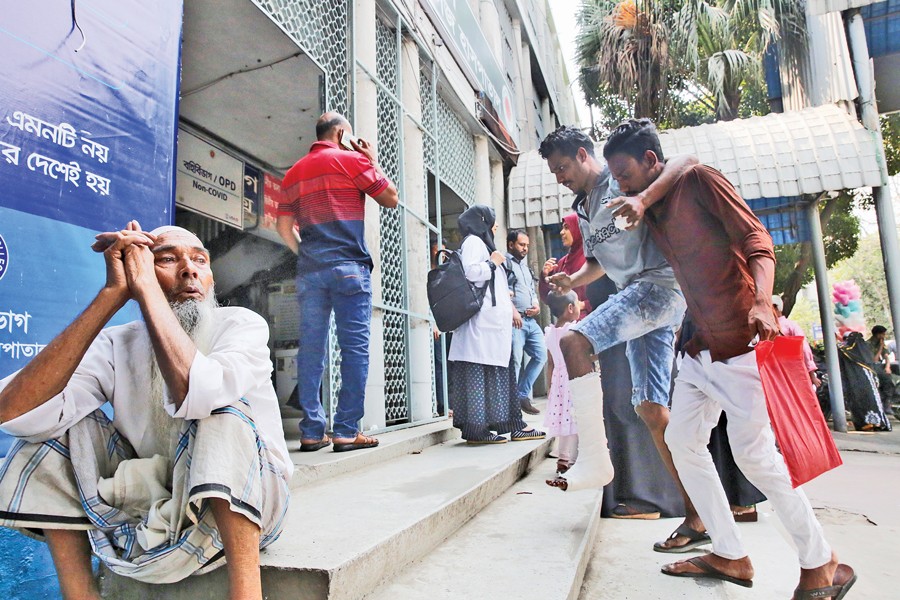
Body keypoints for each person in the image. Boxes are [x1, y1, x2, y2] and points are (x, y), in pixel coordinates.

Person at [604, 118, 856, 598]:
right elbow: (670, 173)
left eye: (623, 173)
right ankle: (730, 553)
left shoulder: (700, 180)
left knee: (755, 457)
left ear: (650, 162)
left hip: (742, 342)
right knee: (682, 440)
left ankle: (820, 562)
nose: (619, 184)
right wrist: (638, 199)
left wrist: (763, 299)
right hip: (697, 346)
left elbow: (758, 240)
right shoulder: (648, 206)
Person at [0, 222, 291, 599]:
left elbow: (199, 392)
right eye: (167, 259)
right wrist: (113, 294)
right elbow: (15, 413)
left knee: (222, 409)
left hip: (253, 505)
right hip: (154, 502)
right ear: (139, 275)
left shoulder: (241, 325)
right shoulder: (118, 343)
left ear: (211, 280)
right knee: (51, 431)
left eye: (199, 261)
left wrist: (149, 289)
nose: (189, 269)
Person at [539, 126, 708, 552]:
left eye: (562, 167)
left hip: (657, 288)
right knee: (651, 409)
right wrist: (573, 279)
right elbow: (598, 261)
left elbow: (686, 161)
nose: (560, 177)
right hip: (641, 296)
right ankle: (697, 515)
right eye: (554, 172)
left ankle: (595, 460)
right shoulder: (583, 206)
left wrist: (642, 198)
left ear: (582, 155)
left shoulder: (619, 178)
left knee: (573, 342)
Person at [276, 112, 399, 453]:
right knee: (354, 350)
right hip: (349, 269)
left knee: (312, 350)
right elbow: (390, 197)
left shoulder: (293, 174)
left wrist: (306, 254)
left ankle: (312, 432)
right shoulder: (351, 160)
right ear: (342, 133)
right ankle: (345, 430)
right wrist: (370, 160)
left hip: (311, 272)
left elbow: (284, 228)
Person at [447, 205, 545, 444]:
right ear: (482, 221)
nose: (496, 225)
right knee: (481, 377)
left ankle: (511, 425)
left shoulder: (483, 244)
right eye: (492, 220)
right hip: (481, 328)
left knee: (499, 377)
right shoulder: (474, 242)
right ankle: (478, 430)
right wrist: (492, 263)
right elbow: (471, 272)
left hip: (491, 328)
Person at [506, 229, 546, 415]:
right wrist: (513, 312)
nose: (525, 248)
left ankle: (522, 395)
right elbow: (502, 290)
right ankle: (511, 404)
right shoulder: (504, 264)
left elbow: (531, 289)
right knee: (515, 360)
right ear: (511, 244)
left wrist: (536, 305)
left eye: (527, 246)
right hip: (515, 320)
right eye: (522, 245)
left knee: (541, 355)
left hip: (531, 320)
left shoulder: (525, 266)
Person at [543, 291, 583, 474]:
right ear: (570, 308)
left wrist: (550, 387)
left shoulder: (550, 333)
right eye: (577, 302)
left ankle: (563, 458)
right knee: (574, 420)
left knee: (565, 419)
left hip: (558, 380)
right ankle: (570, 458)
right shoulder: (574, 331)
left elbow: (550, 363)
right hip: (573, 378)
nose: (580, 305)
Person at [539, 213, 592, 318]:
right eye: (562, 228)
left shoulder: (592, 261)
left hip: (590, 322)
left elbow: (607, 294)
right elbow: (548, 298)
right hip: (568, 323)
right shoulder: (562, 263)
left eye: (567, 228)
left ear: (579, 229)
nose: (561, 232)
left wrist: (584, 305)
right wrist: (545, 276)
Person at [839, 332, 892, 431]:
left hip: (855, 386)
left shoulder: (845, 351)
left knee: (859, 404)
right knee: (872, 403)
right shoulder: (865, 352)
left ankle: (864, 423)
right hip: (869, 386)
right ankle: (877, 422)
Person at [773, 295, 821, 389]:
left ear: (776, 307)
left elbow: (804, 348)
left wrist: (811, 375)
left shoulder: (789, 326)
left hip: (787, 372)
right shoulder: (790, 325)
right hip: (784, 372)